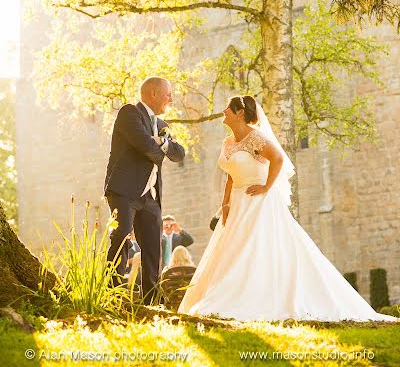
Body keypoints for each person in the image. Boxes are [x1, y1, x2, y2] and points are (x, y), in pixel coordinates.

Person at [178, 95, 397, 322]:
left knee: (253, 247)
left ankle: (248, 298)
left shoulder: (255, 138)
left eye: (227, 108)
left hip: (256, 202)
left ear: (239, 112)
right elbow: (230, 176)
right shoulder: (228, 142)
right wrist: (225, 203)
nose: (223, 111)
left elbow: (278, 159)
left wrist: (265, 186)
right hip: (236, 203)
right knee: (229, 250)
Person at [104, 76, 185, 304]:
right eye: (168, 94)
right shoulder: (129, 113)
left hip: (150, 196)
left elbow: (179, 154)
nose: (170, 98)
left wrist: (163, 143)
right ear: (153, 93)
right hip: (125, 190)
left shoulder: (161, 126)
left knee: (153, 246)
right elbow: (143, 145)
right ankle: (113, 291)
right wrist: (158, 147)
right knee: (121, 236)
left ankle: (151, 300)